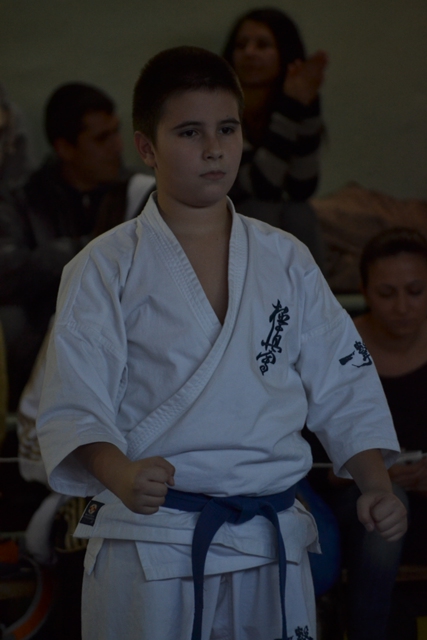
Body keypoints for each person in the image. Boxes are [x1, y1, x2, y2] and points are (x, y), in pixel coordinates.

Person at [36, 47, 406, 640]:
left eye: (227, 129)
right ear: (147, 148)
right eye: (190, 132)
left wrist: (375, 483)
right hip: (154, 539)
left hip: (270, 534)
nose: (214, 148)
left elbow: (343, 382)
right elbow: (74, 403)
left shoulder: (286, 258)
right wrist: (121, 474)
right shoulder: (104, 266)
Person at [0, 82, 154, 407]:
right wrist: (85, 249)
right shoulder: (24, 199)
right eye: (102, 138)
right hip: (48, 340)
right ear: (65, 149)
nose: (118, 146)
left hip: (124, 337)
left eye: (116, 131)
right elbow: (9, 273)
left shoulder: (139, 194)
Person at [222, 8, 327, 268]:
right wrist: (290, 107)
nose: (249, 53)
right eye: (241, 45)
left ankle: (311, 293)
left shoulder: (297, 99)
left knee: (300, 212)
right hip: (225, 209)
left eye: (262, 45)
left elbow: (301, 187)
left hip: (266, 207)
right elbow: (260, 185)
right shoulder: (221, 105)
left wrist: (304, 106)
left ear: (285, 53)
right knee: (261, 210)